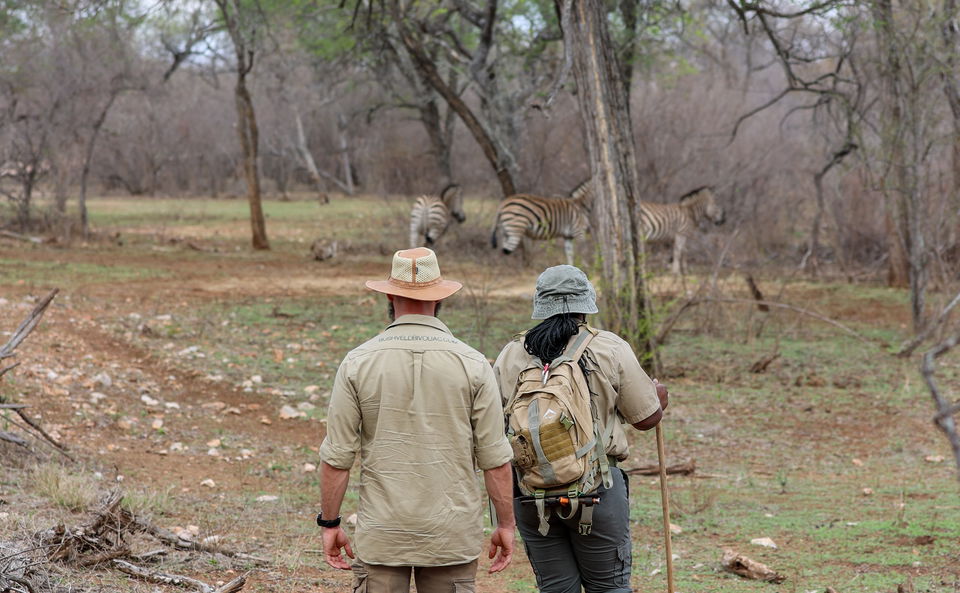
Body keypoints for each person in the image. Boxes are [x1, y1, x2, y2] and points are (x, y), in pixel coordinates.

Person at [319, 246, 516, 593]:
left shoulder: (357, 362)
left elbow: (337, 459)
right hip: (451, 534)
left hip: (382, 532)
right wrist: (506, 524)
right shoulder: (473, 364)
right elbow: (495, 459)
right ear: (439, 297)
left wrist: (330, 523)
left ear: (389, 295)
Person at [493, 264, 669, 593]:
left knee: (556, 589)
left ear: (540, 304)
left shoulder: (513, 353)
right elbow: (645, 419)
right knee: (609, 587)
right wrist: (659, 399)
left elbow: (496, 428)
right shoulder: (609, 348)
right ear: (586, 302)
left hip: (532, 494)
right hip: (598, 489)